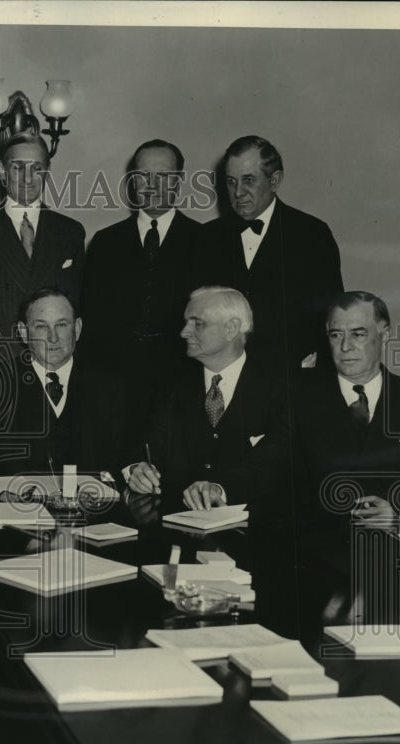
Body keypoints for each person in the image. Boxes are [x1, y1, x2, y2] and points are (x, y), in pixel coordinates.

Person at [190, 292, 400, 632]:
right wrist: (218, 485)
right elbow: (266, 462)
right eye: (335, 335)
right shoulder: (302, 400)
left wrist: (398, 513)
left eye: (358, 333)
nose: (345, 346)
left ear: (385, 333)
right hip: (317, 575)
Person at [124, 286, 286, 509]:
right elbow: (145, 446)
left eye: (197, 323)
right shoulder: (172, 388)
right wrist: (136, 469)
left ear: (231, 329)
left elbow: (275, 465)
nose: (184, 332)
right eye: (186, 323)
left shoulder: (280, 390)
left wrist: (220, 489)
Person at [81, 139, 205, 423]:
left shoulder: (204, 241)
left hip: (183, 387)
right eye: (144, 176)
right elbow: (91, 322)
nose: (153, 185)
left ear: (179, 181)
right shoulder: (105, 242)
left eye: (164, 176)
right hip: (114, 391)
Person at [0, 286, 130, 481]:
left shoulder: (108, 387)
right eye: (41, 326)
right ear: (23, 332)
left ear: (78, 328)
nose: (52, 337)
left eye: (62, 324)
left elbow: (126, 460)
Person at [202, 135, 343, 374]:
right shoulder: (207, 237)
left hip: (290, 380)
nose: (238, 192)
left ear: (275, 180)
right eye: (231, 181)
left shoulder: (312, 234)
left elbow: (332, 316)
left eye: (248, 180)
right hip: (223, 380)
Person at [0, 130, 86, 340]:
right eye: (18, 168)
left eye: (37, 168)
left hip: (52, 361)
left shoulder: (71, 232)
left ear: (47, 172)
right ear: (3, 171)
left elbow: (77, 310)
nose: (28, 178)